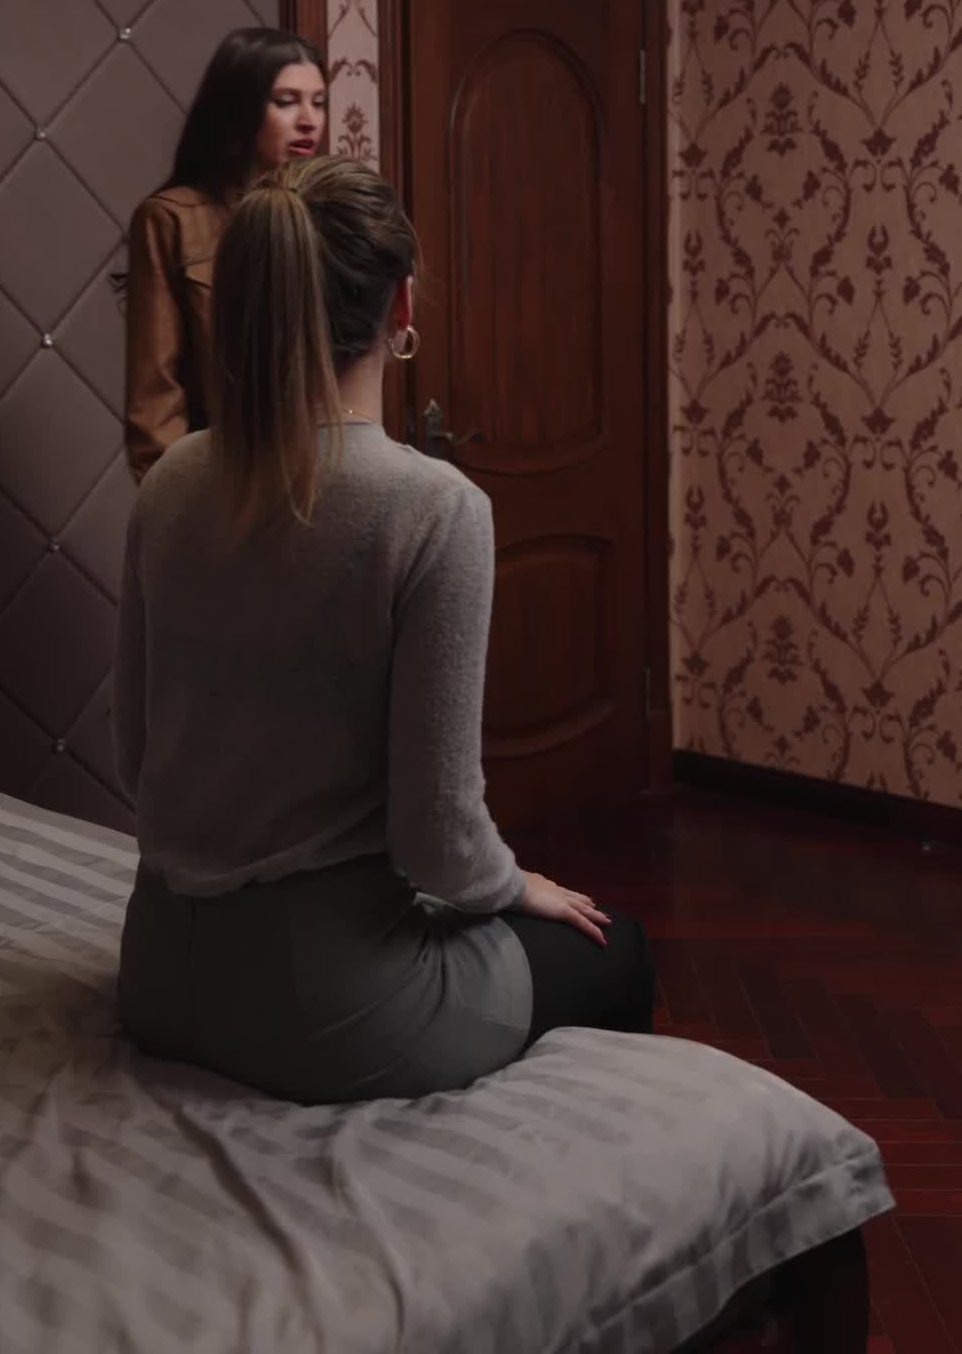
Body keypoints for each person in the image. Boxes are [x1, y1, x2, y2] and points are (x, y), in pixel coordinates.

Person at [111, 158, 654, 1105]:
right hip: (327, 1010)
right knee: (620, 946)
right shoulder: (433, 508)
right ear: (401, 305)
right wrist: (515, 885)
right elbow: (437, 838)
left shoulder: (171, 485)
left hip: (157, 972)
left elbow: (135, 754)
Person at [123, 26, 328, 483]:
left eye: (319, 102)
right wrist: (179, 503)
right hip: (224, 481)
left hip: (328, 472)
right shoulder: (172, 219)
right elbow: (155, 399)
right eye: (286, 101)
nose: (309, 120)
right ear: (240, 107)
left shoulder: (329, 215)